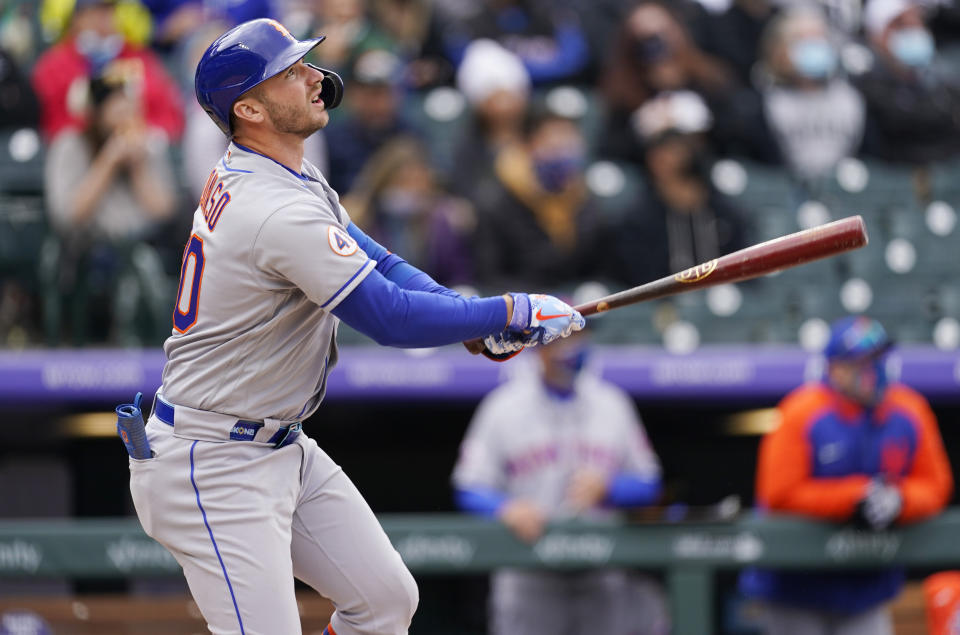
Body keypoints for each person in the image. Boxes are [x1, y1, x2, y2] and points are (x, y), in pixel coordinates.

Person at [123, 17, 585, 635]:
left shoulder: (288, 174)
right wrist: (508, 311)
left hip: (274, 443)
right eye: (292, 72)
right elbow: (388, 317)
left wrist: (466, 318)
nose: (317, 77)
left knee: (385, 601)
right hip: (211, 461)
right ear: (251, 108)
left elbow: (384, 264)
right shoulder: (274, 209)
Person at [739, 316, 954, 635]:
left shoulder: (910, 410)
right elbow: (779, 494)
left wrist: (900, 500)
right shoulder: (801, 412)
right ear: (836, 369)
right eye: (865, 361)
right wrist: (855, 496)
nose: (877, 370)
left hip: (866, 588)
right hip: (796, 588)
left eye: (880, 358)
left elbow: (937, 485)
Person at [452, 331, 668, 635]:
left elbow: (650, 483)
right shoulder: (502, 406)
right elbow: (467, 486)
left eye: (577, 338)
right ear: (538, 349)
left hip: (601, 567)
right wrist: (505, 507)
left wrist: (610, 488)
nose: (569, 348)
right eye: (559, 340)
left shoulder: (613, 403)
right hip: (529, 567)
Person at [42, 68, 178, 345]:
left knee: (148, 263)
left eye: (129, 106)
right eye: (115, 106)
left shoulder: (148, 144)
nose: (124, 114)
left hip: (144, 249)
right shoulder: (69, 145)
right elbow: (68, 216)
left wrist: (138, 167)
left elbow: (164, 212)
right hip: (87, 253)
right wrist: (109, 160)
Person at [607, 90, 748, 283]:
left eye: (677, 147)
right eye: (661, 149)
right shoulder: (636, 221)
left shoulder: (726, 214)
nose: (667, 158)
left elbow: (745, 274)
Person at [473, 105, 604, 289]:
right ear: (528, 146)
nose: (563, 153)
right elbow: (490, 277)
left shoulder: (584, 199)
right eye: (554, 145)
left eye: (569, 144)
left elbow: (597, 270)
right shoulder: (495, 202)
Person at [31, 0, 183, 142]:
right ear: (77, 19)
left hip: (136, 145)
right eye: (94, 12)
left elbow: (169, 117)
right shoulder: (53, 65)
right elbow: (52, 124)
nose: (102, 19)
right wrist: (101, 121)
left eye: (108, 11)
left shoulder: (140, 58)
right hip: (83, 148)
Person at [753, 7, 866, 181]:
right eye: (802, 40)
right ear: (779, 49)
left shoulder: (850, 99)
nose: (814, 47)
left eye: (819, 39)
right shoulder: (763, 102)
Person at [854, 0, 960, 164]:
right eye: (900, 24)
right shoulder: (862, 89)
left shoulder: (945, 85)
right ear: (876, 34)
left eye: (918, 21)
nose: (914, 30)